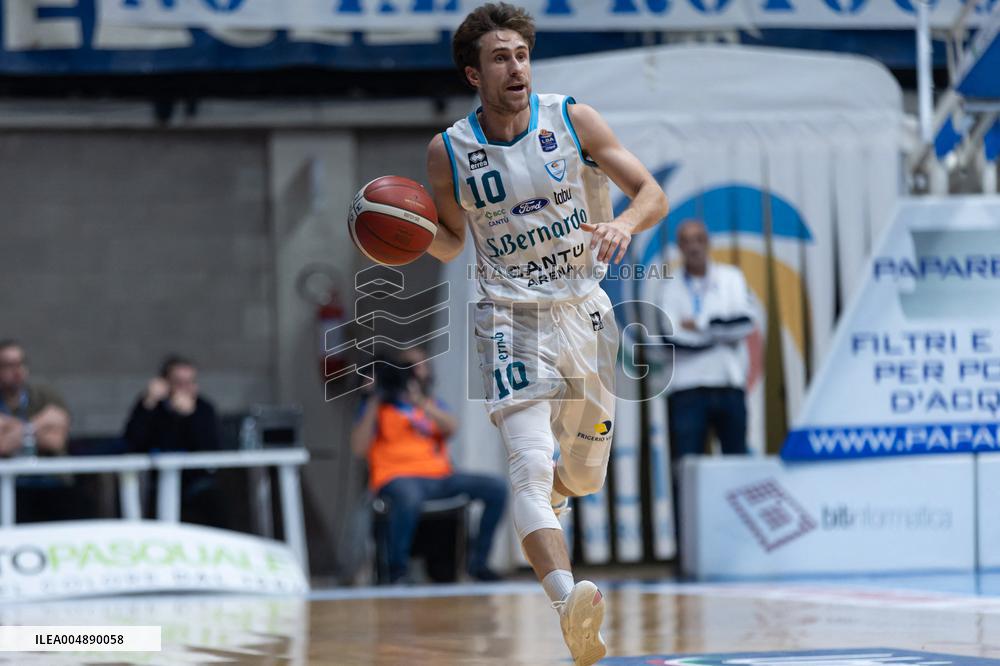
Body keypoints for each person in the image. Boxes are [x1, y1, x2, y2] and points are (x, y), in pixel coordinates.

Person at [423, 4, 668, 664]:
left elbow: (650, 193)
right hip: (507, 318)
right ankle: (567, 602)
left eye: (523, 55)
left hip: (585, 309)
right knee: (529, 467)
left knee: (583, 477)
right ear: (474, 73)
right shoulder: (449, 151)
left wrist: (624, 224)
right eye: (501, 58)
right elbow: (450, 244)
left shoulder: (572, 119)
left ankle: (562, 495)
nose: (517, 68)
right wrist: (412, 236)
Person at [351, 347, 508, 584]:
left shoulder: (428, 403)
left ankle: (478, 563)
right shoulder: (377, 409)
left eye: (419, 368)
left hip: (441, 477)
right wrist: (374, 398)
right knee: (408, 496)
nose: (414, 372)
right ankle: (397, 572)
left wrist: (419, 401)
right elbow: (358, 448)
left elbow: (452, 427)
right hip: (397, 478)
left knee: (496, 487)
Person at [656, 219, 756, 558]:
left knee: (736, 466)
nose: (694, 246)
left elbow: (743, 324)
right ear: (679, 247)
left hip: (728, 387)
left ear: (708, 242)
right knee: (686, 472)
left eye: (699, 239)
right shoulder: (670, 287)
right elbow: (670, 337)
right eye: (686, 241)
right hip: (686, 391)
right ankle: (690, 551)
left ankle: (740, 549)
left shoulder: (731, 278)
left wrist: (698, 325)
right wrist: (717, 333)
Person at [123, 355, 225, 526]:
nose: (185, 388)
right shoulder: (151, 407)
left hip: (195, 482)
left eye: (190, 382)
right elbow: (132, 442)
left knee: (212, 500)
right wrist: (148, 404)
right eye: (179, 382)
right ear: (164, 384)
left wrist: (190, 418)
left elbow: (211, 450)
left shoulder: (203, 409)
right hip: (155, 481)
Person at [0, 339, 81, 522]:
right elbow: (2, 446)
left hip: (51, 482)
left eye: (21, 363)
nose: (16, 371)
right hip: (8, 485)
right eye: (8, 365)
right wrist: (41, 424)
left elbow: (56, 441)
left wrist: (12, 427)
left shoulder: (45, 395)